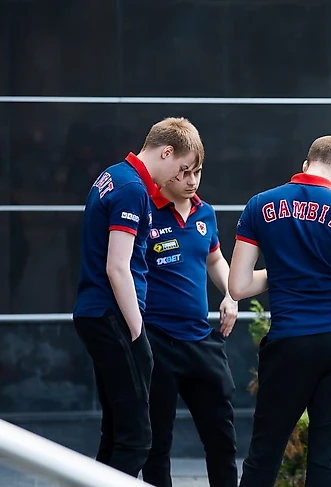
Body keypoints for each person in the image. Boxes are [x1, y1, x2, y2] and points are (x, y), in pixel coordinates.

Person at [228, 135, 331, 487]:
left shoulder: (259, 205)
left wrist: (287, 270)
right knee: (326, 463)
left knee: (264, 455)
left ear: (306, 164)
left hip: (290, 340)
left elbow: (238, 286)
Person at [72, 117, 204, 477]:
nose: (179, 178)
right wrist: (137, 331)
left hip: (97, 313)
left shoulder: (113, 175)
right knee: (136, 439)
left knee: (117, 433)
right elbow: (118, 267)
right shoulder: (133, 189)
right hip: (111, 315)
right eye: (182, 168)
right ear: (166, 152)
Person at [141, 164, 239, 487]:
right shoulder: (145, 209)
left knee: (222, 439)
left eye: (197, 172)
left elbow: (214, 259)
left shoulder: (205, 212)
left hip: (200, 340)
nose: (192, 180)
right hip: (157, 340)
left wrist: (231, 294)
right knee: (157, 445)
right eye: (183, 173)